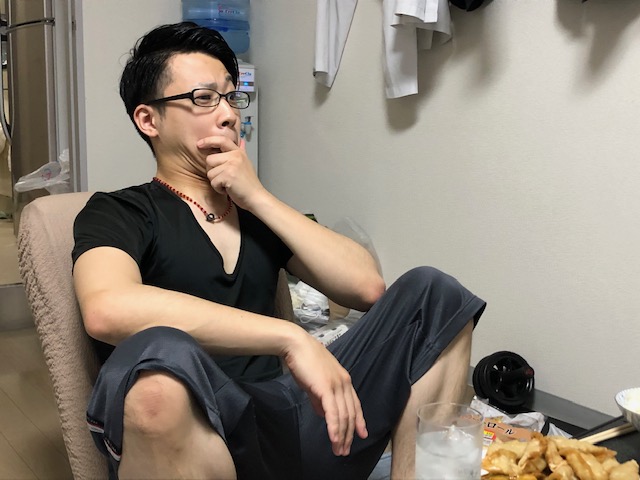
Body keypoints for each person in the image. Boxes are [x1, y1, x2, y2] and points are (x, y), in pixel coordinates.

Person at [72, 22, 486, 480]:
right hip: (204, 431)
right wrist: (290, 338)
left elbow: (367, 287)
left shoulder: (253, 211)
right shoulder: (121, 211)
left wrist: (257, 197)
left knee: (436, 295)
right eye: (204, 98)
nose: (228, 115)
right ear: (148, 120)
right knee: (157, 359)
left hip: (292, 420)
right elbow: (107, 308)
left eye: (231, 97)